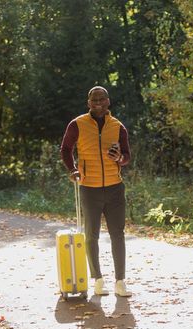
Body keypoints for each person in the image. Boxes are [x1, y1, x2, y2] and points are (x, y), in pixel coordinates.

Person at [60, 86, 132, 297]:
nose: (98, 103)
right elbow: (65, 148)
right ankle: (98, 280)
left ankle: (120, 281)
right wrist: (72, 169)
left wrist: (119, 158)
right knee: (91, 236)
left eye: (102, 99)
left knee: (117, 234)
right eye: (94, 100)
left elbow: (127, 156)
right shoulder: (77, 124)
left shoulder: (118, 126)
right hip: (89, 188)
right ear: (88, 102)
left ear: (108, 101)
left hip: (115, 188)